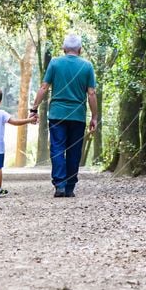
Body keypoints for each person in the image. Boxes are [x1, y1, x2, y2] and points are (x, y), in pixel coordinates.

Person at [30, 33, 97, 198]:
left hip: (57, 114)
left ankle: (60, 184)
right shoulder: (87, 66)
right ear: (80, 50)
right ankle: (70, 187)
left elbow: (44, 88)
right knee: (74, 150)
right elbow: (92, 93)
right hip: (78, 116)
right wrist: (94, 117)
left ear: (64, 48)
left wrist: (34, 108)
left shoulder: (55, 63)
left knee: (57, 148)